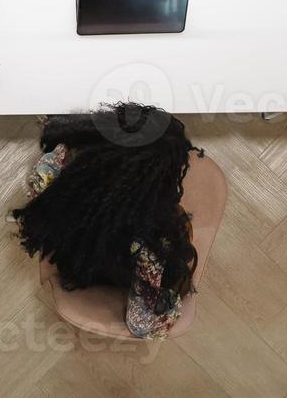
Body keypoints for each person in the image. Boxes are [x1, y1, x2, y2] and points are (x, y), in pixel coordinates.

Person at [12, 103, 200, 339]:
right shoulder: (149, 239)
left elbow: (39, 187)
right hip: (116, 264)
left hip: (75, 253)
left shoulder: (62, 170)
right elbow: (141, 324)